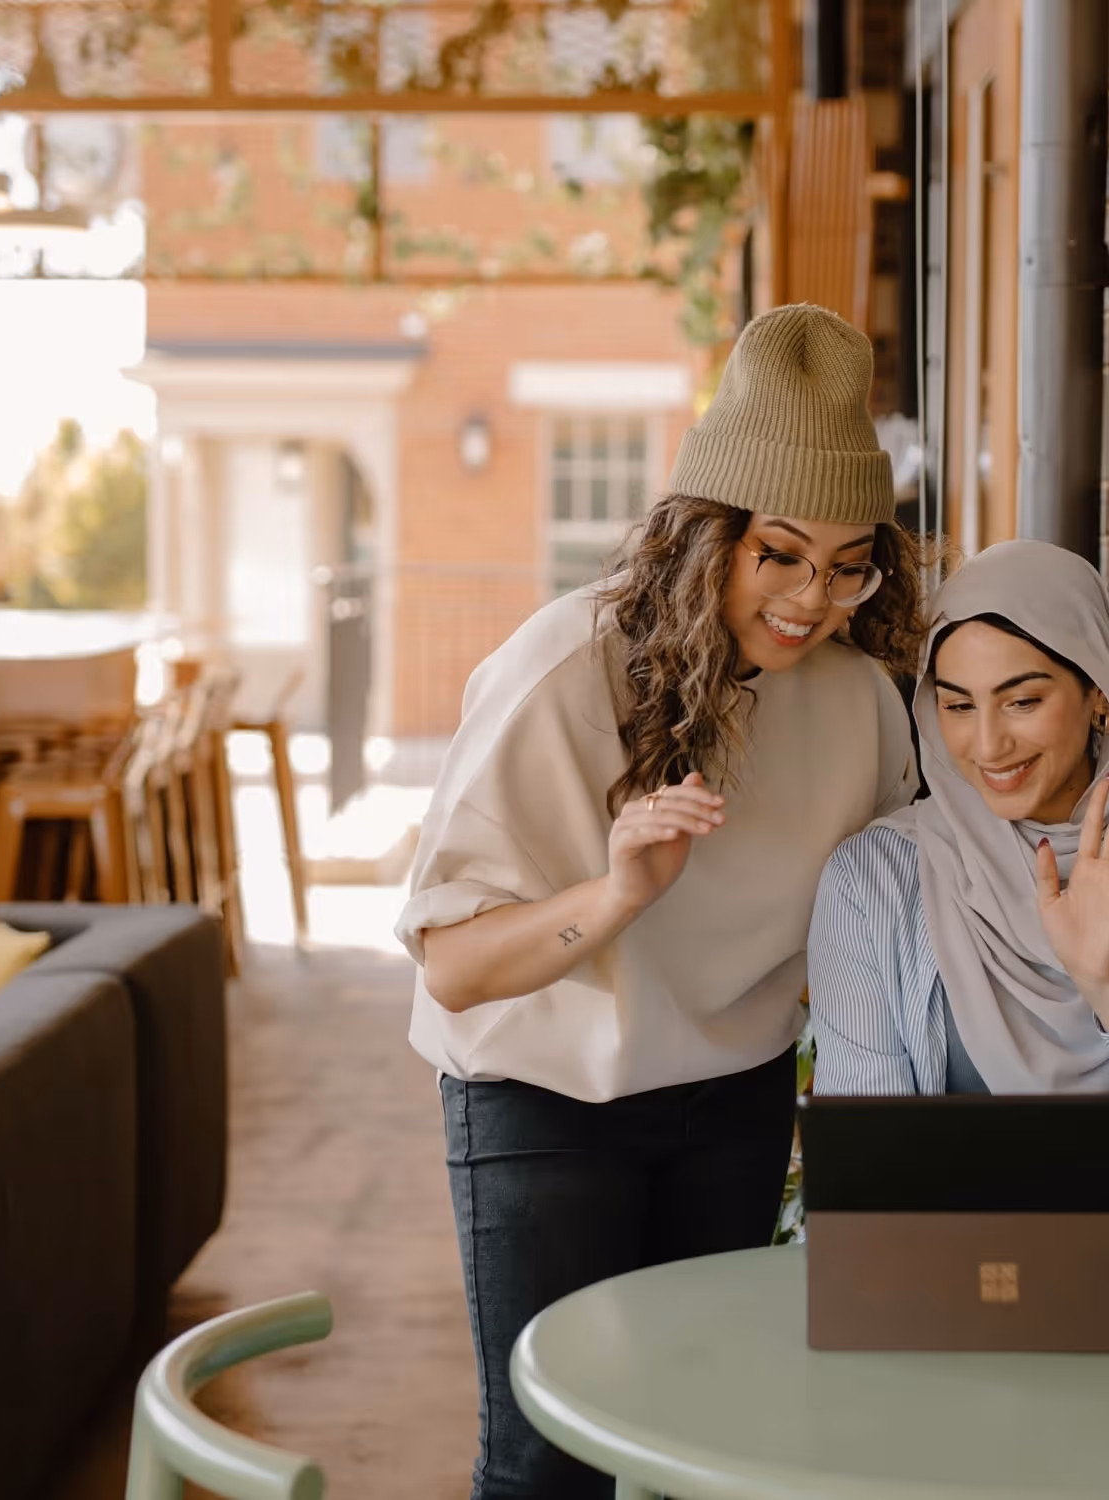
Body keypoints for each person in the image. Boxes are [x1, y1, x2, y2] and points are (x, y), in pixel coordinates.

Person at [397, 304, 926, 1499]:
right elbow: (452, 969)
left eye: (850, 565)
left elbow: (885, 920)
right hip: (544, 1097)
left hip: (729, 1098)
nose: (811, 598)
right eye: (778, 554)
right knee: (547, 1465)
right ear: (708, 536)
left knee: (704, 1448)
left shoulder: (855, 703)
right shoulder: (559, 672)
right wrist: (618, 892)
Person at [807, 540, 1109, 1232]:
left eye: (1022, 701)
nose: (986, 745)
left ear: (1098, 690)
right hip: (939, 1297)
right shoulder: (874, 883)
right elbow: (864, 1180)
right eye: (957, 706)